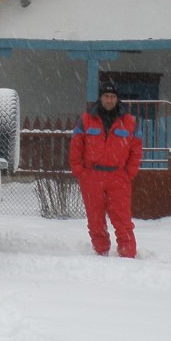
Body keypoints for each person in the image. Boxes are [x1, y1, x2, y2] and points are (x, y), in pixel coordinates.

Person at [70, 81, 143, 258]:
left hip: (118, 177)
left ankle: (128, 255)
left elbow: (136, 150)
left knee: (122, 220)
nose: (109, 100)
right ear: (100, 98)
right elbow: (76, 146)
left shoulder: (129, 122)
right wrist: (80, 171)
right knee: (95, 220)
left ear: (117, 99)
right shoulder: (86, 119)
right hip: (92, 176)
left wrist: (129, 173)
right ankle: (100, 253)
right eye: (106, 96)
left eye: (112, 97)